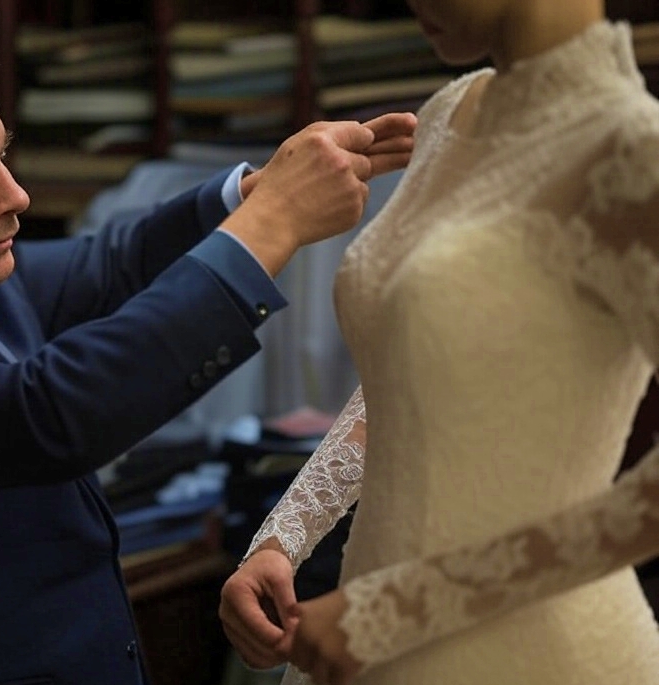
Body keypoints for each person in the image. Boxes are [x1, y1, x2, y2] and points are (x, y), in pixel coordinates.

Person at [0, 10, 416, 685]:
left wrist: (253, 191)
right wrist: (273, 224)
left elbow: (112, 263)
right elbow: (52, 412)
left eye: (1, 155)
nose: (16, 196)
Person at [219, 0, 659, 683]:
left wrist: (403, 608)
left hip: (537, 653)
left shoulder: (633, 150)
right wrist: (283, 537)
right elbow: (413, 380)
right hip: (367, 632)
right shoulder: (452, 111)